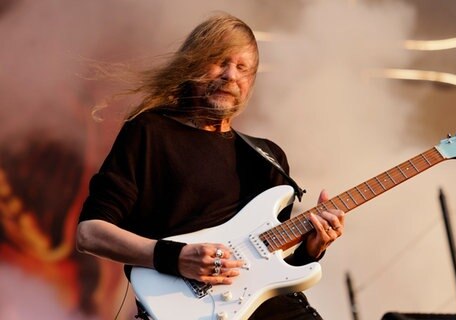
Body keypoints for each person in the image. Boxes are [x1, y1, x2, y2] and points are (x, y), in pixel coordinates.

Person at [76, 13, 345, 320]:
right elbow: (91, 234)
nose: (231, 75)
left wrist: (312, 249)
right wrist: (176, 258)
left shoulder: (268, 157)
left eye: (243, 68)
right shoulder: (149, 132)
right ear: (193, 64)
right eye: (219, 61)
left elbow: (268, 272)